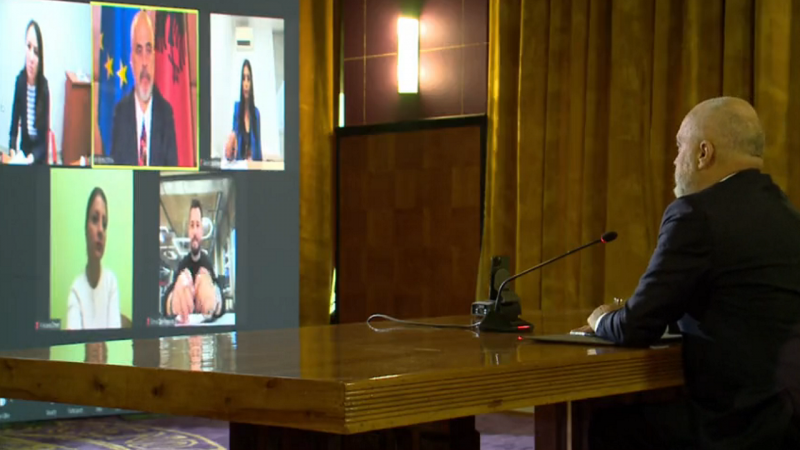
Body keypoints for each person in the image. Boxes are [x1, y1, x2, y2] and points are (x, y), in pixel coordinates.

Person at [585, 97, 800, 450]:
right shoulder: (788, 215)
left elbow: (635, 326)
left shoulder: (694, 214)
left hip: (737, 425)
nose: (674, 161)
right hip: (789, 419)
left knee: (605, 427)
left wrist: (600, 320)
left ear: (703, 153)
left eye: (678, 146)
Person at [110, 10, 177, 167]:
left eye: (148, 50)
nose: (145, 62)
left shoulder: (166, 114)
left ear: (154, 56)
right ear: (131, 60)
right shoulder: (120, 113)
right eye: (139, 51)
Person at [162, 199, 224, 324]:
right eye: (191, 225)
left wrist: (215, 299)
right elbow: (166, 302)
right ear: (188, 231)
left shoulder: (208, 263)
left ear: (202, 230)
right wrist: (172, 301)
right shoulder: (182, 265)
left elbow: (221, 304)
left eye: (198, 225)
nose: (195, 231)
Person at [67, 188, 121, 330]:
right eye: (95, 219)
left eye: (105, 224)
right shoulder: (76, 291)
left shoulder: (111, 283)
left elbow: (113, 338)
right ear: (86, 228)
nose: (100, 230)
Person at [8, 20, 49, 164]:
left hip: (38, 156)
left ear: (40, 57)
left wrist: (31, 158)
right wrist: (12, 149)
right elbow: (13, 127)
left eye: (36, 52)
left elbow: (44, 142)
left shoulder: (44, 88)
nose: (31, 58)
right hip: (24, 151)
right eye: (28, 47)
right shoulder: (20, 82)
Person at [224, 59, 262, 162]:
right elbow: (233, 147)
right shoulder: (237, 109)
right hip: (239, 166)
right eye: (243, 78)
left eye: (248, 79)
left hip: (253, 167)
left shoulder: (256, 114)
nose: (246, 84)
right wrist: (230, 145)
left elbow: (258, 149)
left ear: (251, 83)